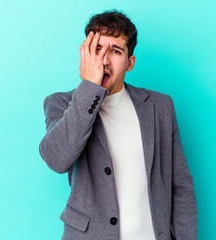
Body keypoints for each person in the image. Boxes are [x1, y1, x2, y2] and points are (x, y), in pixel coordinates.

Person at [39, 9, 197, 240]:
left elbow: (180, 185)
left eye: (115, 51)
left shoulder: (160, 106)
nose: (104, 60)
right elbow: (56, 160)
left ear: (129, 62)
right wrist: (89, 89)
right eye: (97, 49)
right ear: (85, 56)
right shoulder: (62, 104)